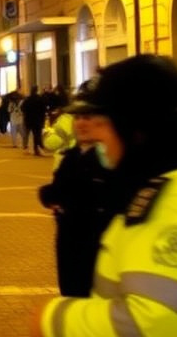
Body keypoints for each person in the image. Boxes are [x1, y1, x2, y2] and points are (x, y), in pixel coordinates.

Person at [32, 55, 177, 337]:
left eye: (104, 121)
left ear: (137, 128)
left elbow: (150, 324)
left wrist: (54, 319)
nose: (93, 131)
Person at [37, 78, 116, 297]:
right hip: (70, 244)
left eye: (88, 117)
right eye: (78, 117)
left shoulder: (110, 159)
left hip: (96, 249)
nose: (81, 123)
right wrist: (48, 195)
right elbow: (60, 189)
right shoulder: (72, 156)